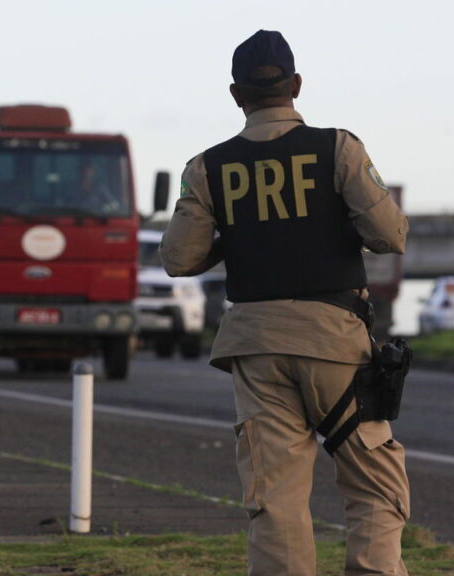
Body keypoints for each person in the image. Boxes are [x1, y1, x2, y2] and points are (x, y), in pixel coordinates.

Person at [161, 30, 411, 576]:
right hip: (333, 341)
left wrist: (242, 233)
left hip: (255, 347)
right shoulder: (338, 147)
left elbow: (179, 260)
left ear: (235, 94)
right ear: (296, 85)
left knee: (274, 497)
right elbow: (390, 235)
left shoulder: (207, 167)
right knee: (375, 481)